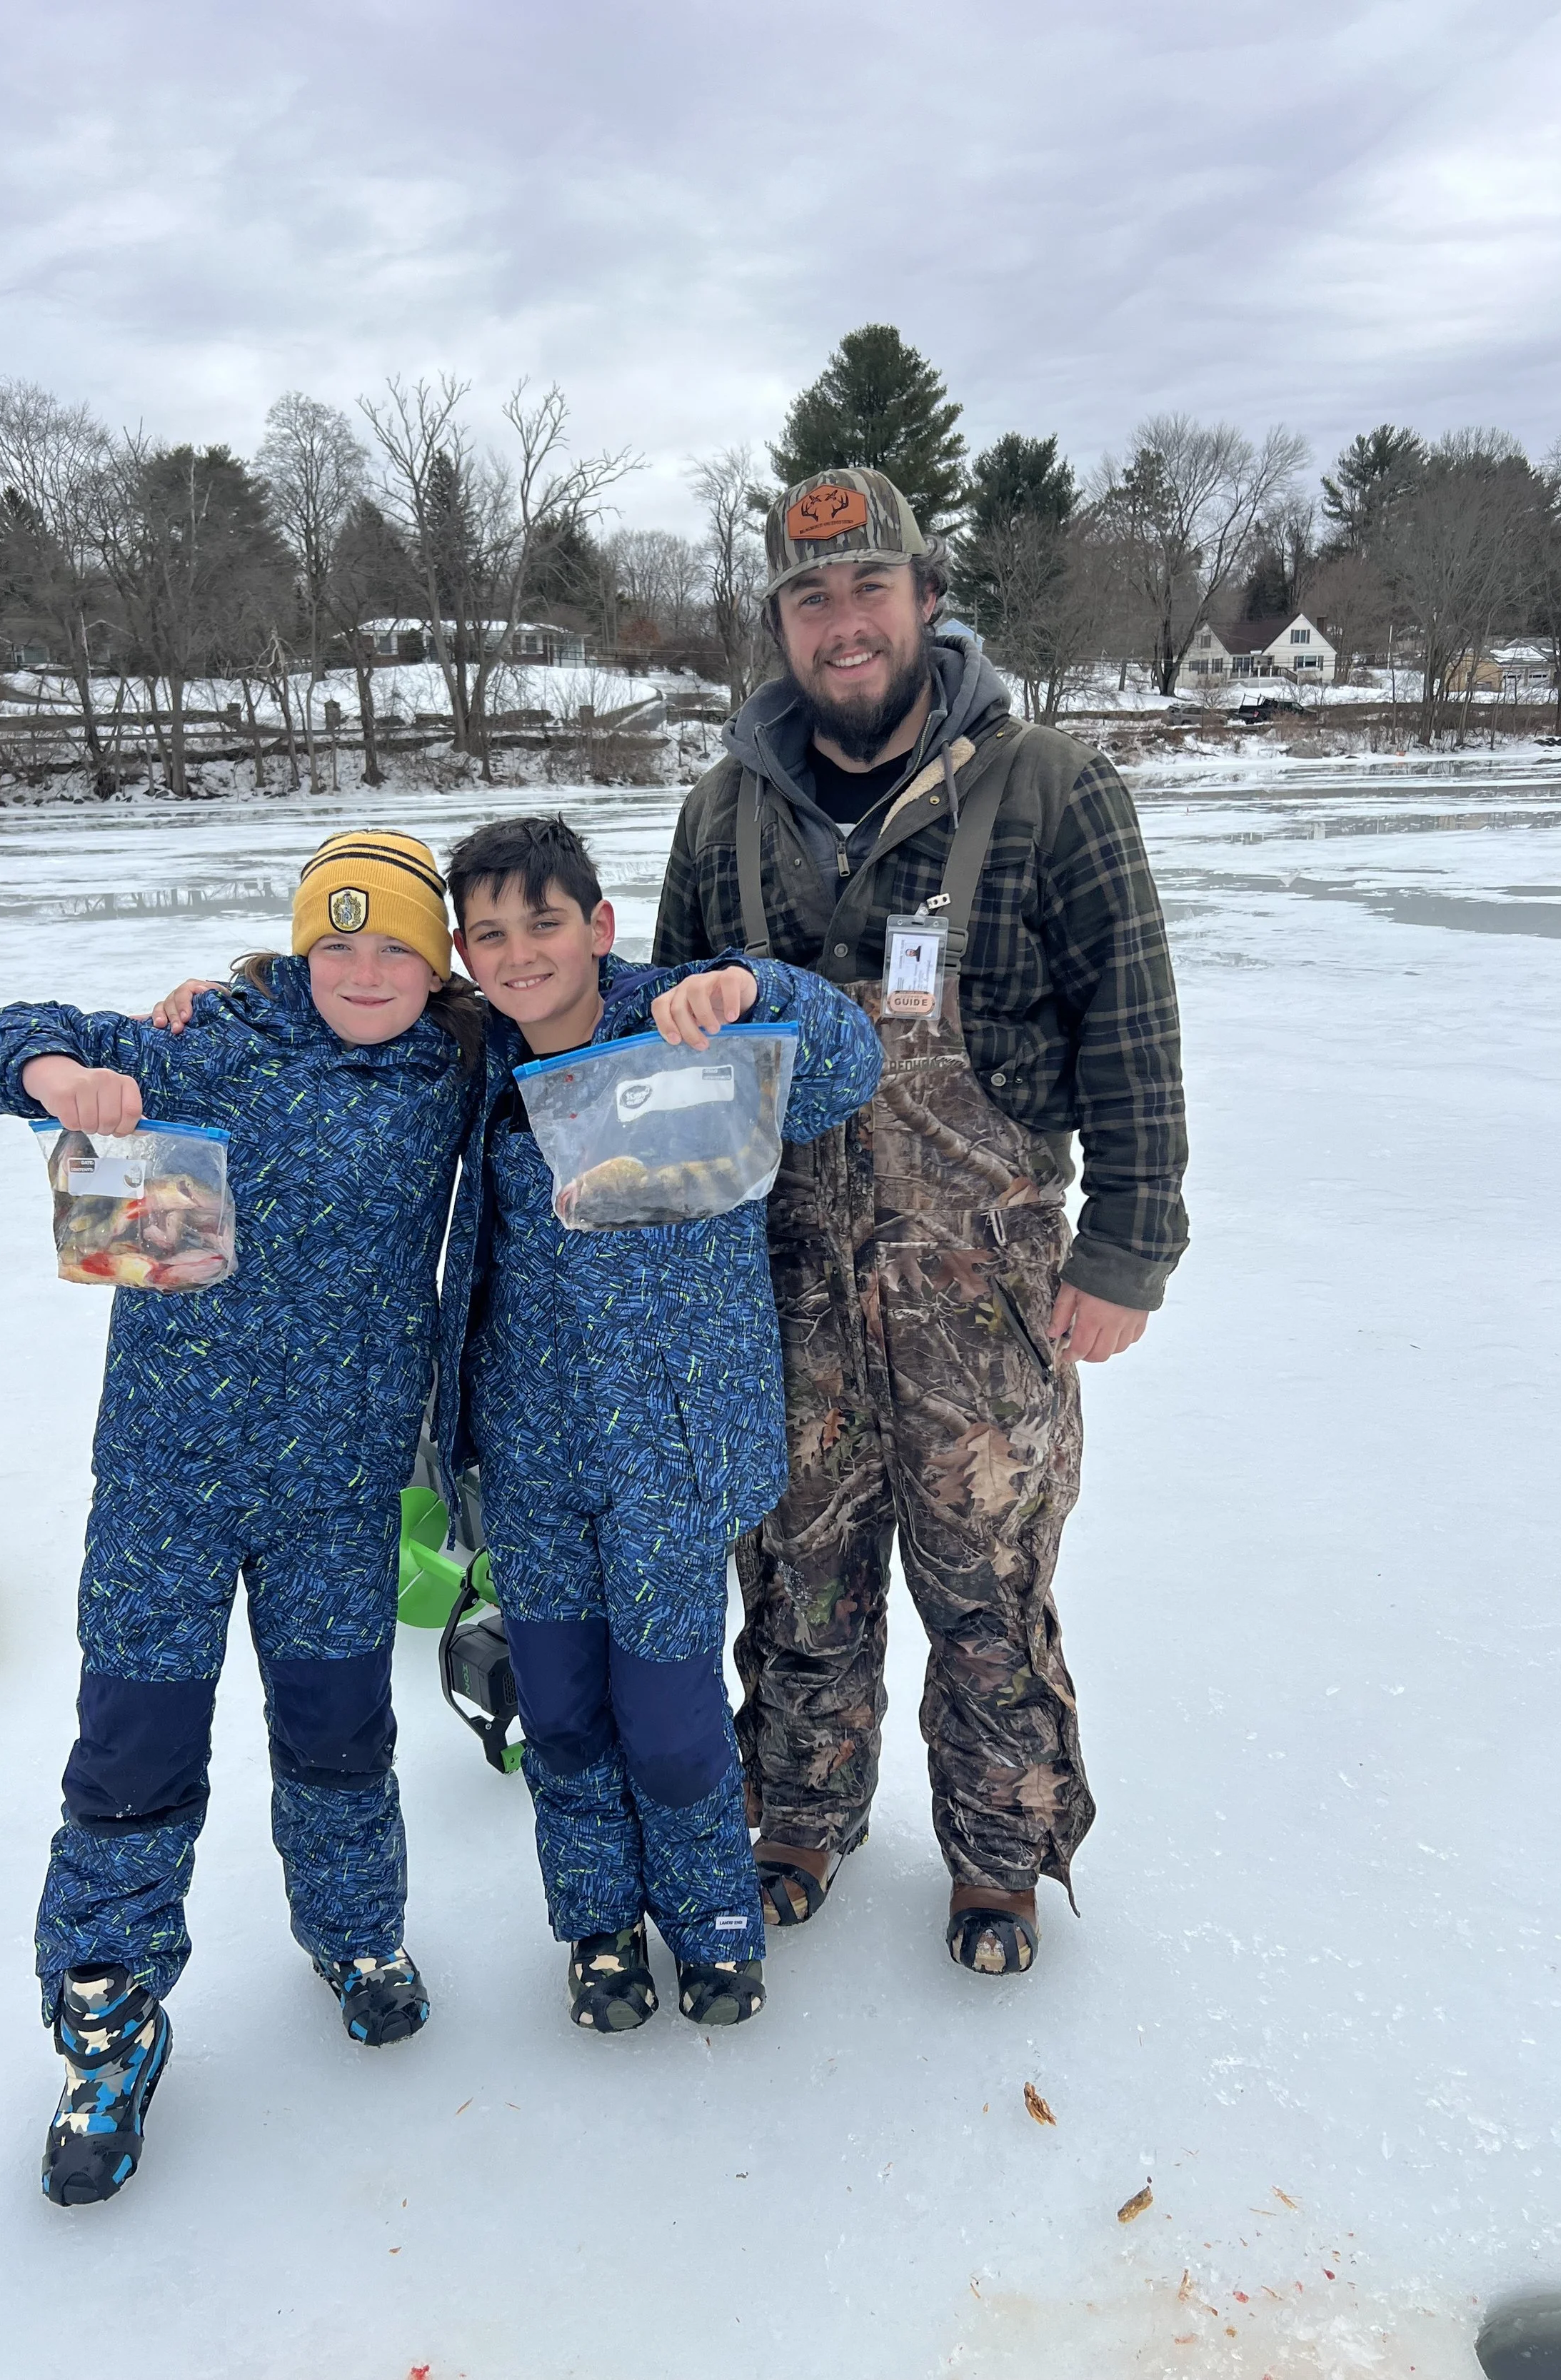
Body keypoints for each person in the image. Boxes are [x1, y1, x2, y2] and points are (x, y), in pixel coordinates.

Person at [651, 468, 1189, 1978]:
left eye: (867, 591)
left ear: (925, 600)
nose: (842, 625)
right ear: (777, 622)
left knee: (986, 1591)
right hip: (777, 1290)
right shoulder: (720, 816)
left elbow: (1132, 1034)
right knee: (796, 1572)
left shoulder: (1050, 788)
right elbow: (657, 1060)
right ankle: (798, 1816)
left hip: (984, 1295)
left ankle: (1001, 1857)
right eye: (809, 599)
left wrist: (1126, 1250)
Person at [0, 830, 477, 2207]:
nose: (364, 971)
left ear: (436, 966)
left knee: (341, 1733)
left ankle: (357, 1937)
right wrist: (65, 1077)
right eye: (336, 943)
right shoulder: (213, 1044)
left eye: (395, 948)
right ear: (300, 949)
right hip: (167, 1485)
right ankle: (111, 2017)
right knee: (132, 1752)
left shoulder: (455, 1070)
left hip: (344, 1488)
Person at [432, 815, 882, 2032]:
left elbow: (843, 1065)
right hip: (531, 1452)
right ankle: (597, 1929)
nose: (520, 954)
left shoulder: (686, 1022)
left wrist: (757, 983)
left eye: (544, 922)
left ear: (600, 926)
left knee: (674, 1723)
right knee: (565, 1717)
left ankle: (714, 1923)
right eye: (490, 934)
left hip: (669, 1455)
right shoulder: (470, 1062)